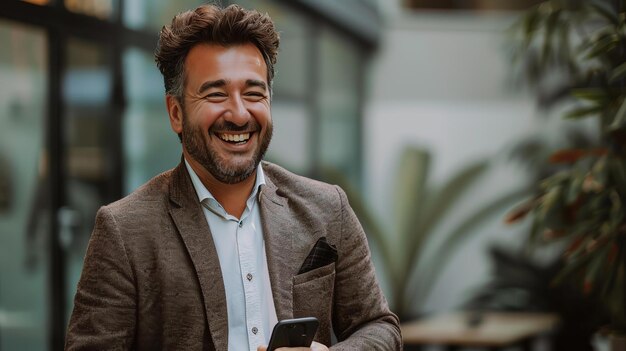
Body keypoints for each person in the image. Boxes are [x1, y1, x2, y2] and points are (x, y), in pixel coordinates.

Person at [65, 3, 401, 351]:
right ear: (176, 113)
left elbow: (379, 327)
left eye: (254, 93)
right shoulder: (124, 231)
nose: (240, 114)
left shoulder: (327, 208)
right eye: (216, 94)